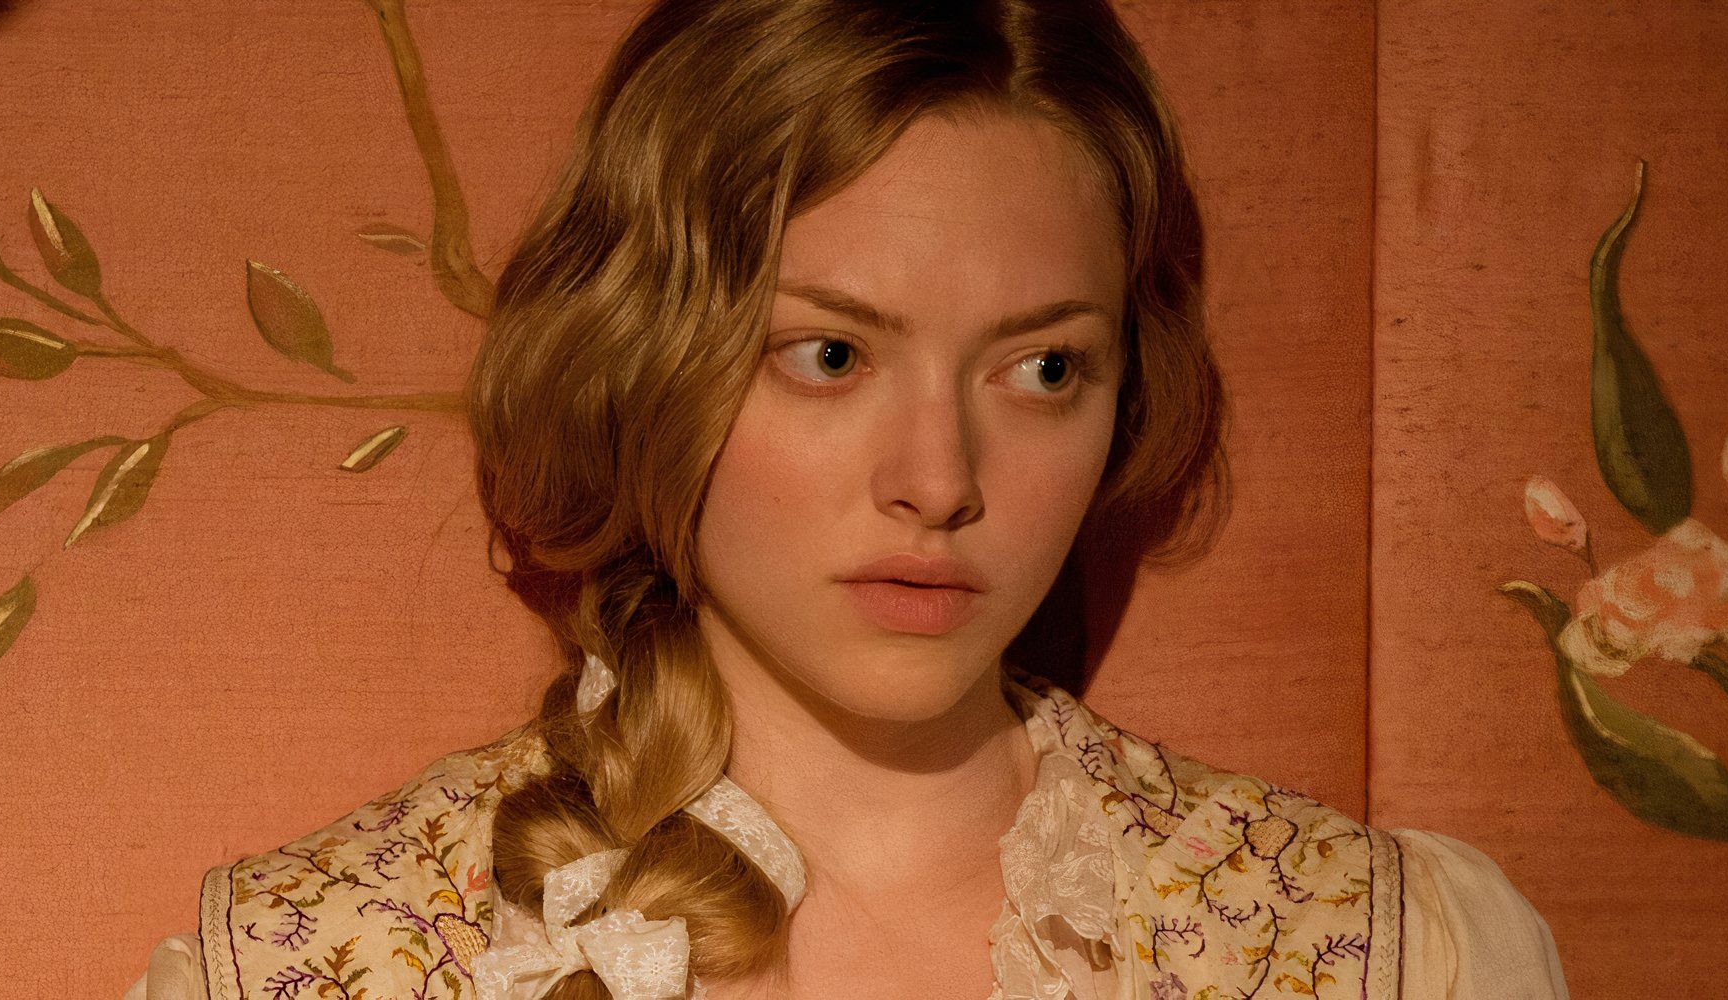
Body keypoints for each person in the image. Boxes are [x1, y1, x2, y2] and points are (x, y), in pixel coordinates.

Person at [126, 1, 1569, 997]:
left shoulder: (1381, 950)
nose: (937, 482)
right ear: (647, 358)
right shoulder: (311, 958)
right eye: (830, 355)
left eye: (1045, 368)